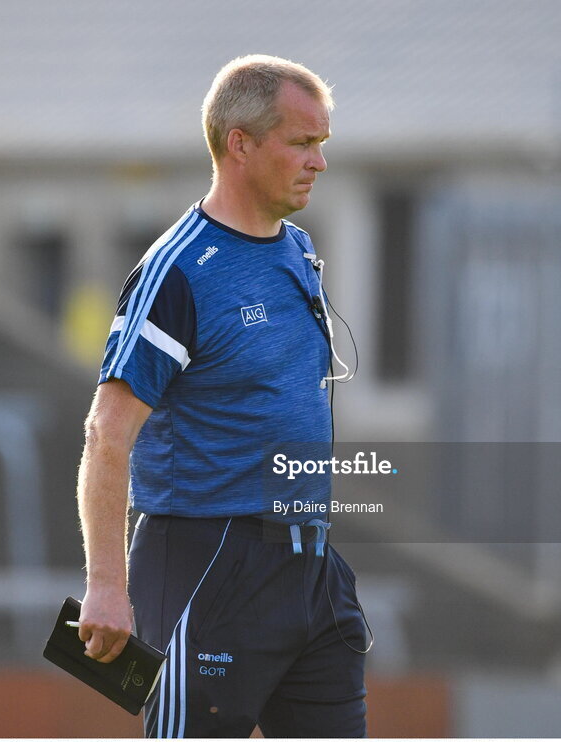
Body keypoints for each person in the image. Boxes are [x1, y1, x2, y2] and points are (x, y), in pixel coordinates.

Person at [75, 54, 369, 738]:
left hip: (311, 569)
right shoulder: (177, 273)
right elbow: (106, 434)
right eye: (302, 142)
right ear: (240, 144)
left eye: (321, 144)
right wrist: (107, 585)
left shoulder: (298, 249)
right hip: (209, 567)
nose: (318, 162)